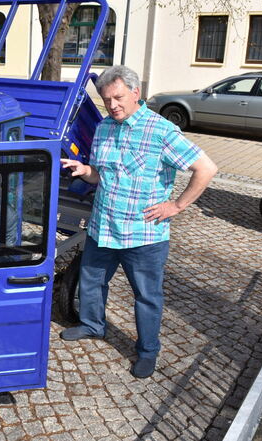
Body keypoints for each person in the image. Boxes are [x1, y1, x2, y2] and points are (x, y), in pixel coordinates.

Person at [59, 65, 218, 379]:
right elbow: (101, 174)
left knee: (147, 296)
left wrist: (176, 205)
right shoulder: (104, 127)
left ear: (136, 93)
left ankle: (147, 351)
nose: (113, 105)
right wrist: (84, 170)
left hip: (143, 235)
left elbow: (207, 169)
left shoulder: (162, 130)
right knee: (92, 283)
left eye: (118, 97)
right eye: (107, 100)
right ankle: (93, 325)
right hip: (103, 226)